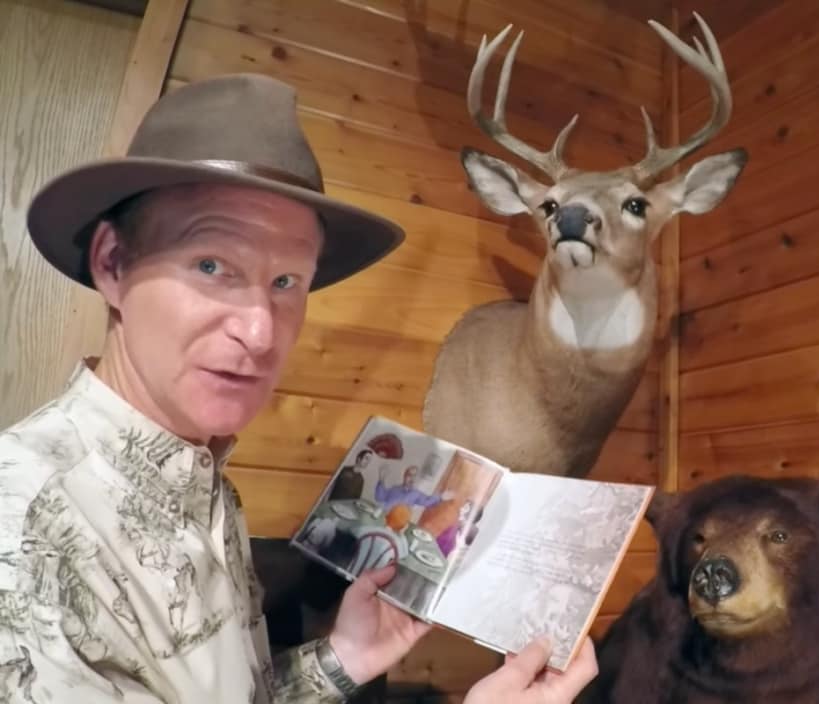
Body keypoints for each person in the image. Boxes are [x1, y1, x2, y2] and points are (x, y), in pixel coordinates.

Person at [0, 73, 597, 702]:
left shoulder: (209, 490)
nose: (261, 332)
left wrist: (345, 656)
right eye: (212, 266)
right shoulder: (21, 532)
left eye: (288, 283)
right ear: (112, 264)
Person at [374, 465, 452, 512]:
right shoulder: (395, 489)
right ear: (404, 476)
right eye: (409, 475)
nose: (412, 478)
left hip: (396, 524)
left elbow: (427, 502)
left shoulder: (416, 494)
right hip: (383, 517)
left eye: (414, 476)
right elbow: (379, 498)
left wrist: (440, 498)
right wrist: (381, 479)